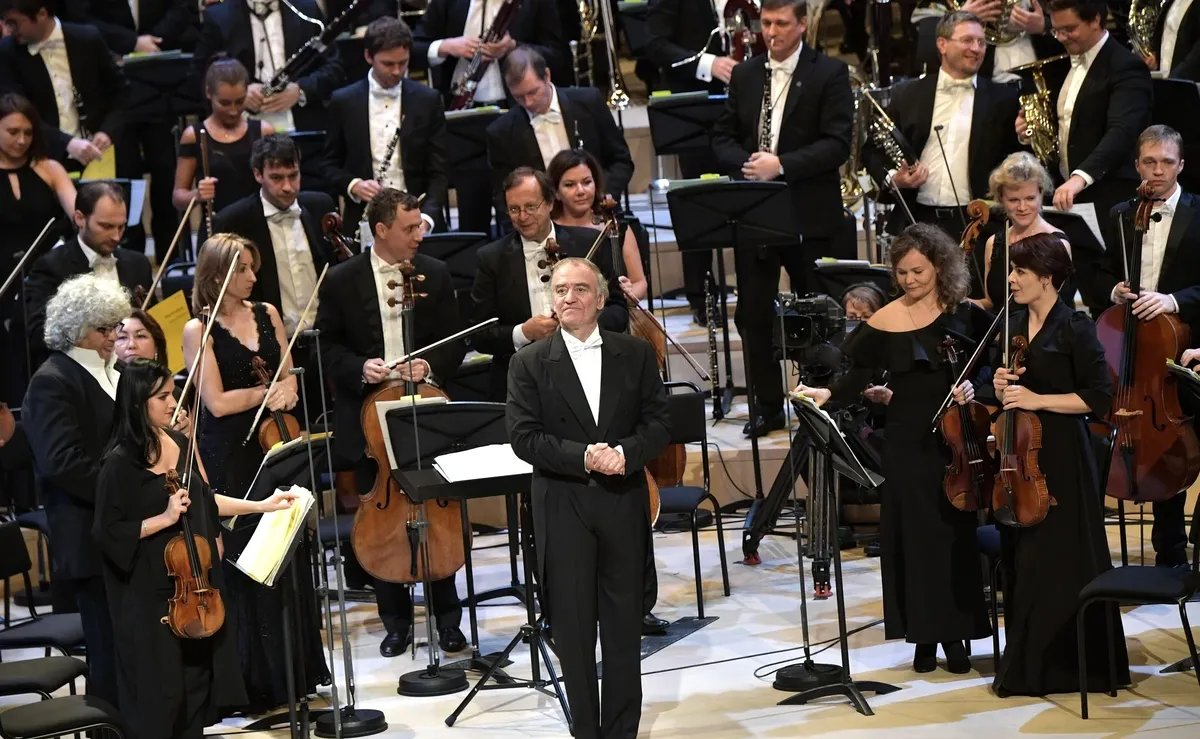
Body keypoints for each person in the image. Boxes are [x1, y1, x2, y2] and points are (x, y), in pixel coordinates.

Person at [794, 223, 992, 674]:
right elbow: (855, 376)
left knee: (952, 538)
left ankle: (956, 635)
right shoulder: (884, 322)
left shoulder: (966, 315)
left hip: (955, 441)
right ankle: (923, 638)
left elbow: (988, 367)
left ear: (940, 267)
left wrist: (973, 391)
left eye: (918, 271)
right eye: (901, 273)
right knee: (913, 541)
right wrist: (828, 395)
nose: (909, 280)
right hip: (906, 442)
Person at [507, 256, 670, 739]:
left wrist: (626, 454)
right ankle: (586, 731)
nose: (569, 297)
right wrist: (586, 456)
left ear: (600, 300)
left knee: (623, 627)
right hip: (563, 504)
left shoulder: (635, 354)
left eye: (580, 289)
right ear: (551, 301)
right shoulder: (528, 362)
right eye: (560, 290)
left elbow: (659, 423)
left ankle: (622, 731)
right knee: (573, 630)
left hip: (621, 499)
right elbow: (523, 437)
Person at [94, 358, 299, 738]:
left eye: (172, 393)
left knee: (195, 691)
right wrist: (164, 518)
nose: (174, 403)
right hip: (147, 598)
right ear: (138, 402)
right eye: (163, 397)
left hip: (190, 591)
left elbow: (205, 500)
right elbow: (107, 533)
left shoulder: (177, 442)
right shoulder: (118, 464)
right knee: (161, 699)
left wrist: (263, 505)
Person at [315, 187, 468, 657]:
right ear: (380, 231)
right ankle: (395, 621)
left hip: (425, 408)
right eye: (409, 228)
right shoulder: (341, 280)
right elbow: (327, 348)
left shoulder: (435, 273)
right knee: (381, 516)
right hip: (368, 418)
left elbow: (454, 342)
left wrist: (429, 366)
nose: (419, 234)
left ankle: (447, 617)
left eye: (419, 224)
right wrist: (361, 367)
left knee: (436, 508)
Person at [181, 233, 329, 711]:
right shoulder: (196, 328)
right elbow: (216, 402)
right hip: (231, 455)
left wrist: (288, 390)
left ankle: (296, 671)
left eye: (252, 268)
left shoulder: (266, 313)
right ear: (216, 274)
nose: (252, 277)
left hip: (276, 440)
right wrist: (269, 393)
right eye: (242, 269)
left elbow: (289, 375)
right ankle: (253, 683)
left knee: (286, 551)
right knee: (246, 560)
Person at [989, 233, 1129, 695]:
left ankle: (1072, 668)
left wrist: (1036, 397)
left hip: (1064, 456)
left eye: (1020, 272)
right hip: (1023, 458)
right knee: (1027, 563)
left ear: (1047, 278)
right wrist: (1001, 385)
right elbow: (1013, 393)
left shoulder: (1075, 326)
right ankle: (1030, 667)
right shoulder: (1013, 325)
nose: (1010, 279)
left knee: (1061, 560)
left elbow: (1098, 397)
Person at [710, 0, 854, 437]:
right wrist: (750, 164)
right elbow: (723, 135)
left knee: (819, 312)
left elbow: (837, 143)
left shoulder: (829, 73)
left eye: (780, 23)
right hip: (757, 212)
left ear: (802, 25)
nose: (770, 31)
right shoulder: (747, 72)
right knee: (752, 313)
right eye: (766, 23)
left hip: (810, 211)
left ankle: (821, 399)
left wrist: (783, 164)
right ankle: (767, 406)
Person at [21, 273, 132, 707]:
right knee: (108, 654)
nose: (113, 337)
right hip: (92, 537)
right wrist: (128, 492)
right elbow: (63, 464)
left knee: (132, 650)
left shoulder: (115, 372)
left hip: (125, 531)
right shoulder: (52, 382)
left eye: (115, 327)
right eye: (103, 329)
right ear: (74, 329)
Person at [1094, 124, 1200, 568]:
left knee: (1189, 442)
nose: (1157, 171)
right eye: (1149, 162)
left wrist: (1173, 299)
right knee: (1158, 445)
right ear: (1137, 164)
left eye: (1166, 163)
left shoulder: (1199, 212)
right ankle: (1169, 555)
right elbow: (1100, 273)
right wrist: (1114, 291)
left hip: (1191, 342)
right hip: (1143, 351)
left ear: (1181, 165)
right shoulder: (1122, 213)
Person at [862, 9, 1020, 258]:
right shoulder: (907, 94)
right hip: (918, 219)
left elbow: (1018, 155)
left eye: (982, 42)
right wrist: (896, 178)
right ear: (942, 44)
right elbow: (872, 150)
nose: (977, 48)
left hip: (979, 223)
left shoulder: (1005, 99)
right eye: (968, 40)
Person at [470, 166, 628, 401]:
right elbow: (480, 334)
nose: (522, 217)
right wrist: (523, 332)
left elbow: (618, 311)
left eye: (531, 207)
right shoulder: (491, 259)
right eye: (514, 209)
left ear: (550, 203)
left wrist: (581, 324)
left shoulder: (588, 244)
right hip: (524, 382)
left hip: (591, 371)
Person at [412, 0, 567, 232]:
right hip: (464, 118)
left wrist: (513, 47)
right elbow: (414, 48)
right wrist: (448, 46)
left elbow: (558, 55)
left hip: (518, 116)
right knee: (472, 215)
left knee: (524, 206)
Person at [644, 0, 740, 324]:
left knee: (750, 195)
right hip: (698, 110)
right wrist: (708, 64)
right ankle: (701, 298)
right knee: (699, 204)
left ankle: (755, 293)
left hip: (748, 104)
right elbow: (656, 45)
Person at [1017, 0, 1150, 223]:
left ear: (1096, 20)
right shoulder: (1063, 60)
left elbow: (1122, 132)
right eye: (1056, 30)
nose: (1060, 37)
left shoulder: (1127, 67)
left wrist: (1079, 178)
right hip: (1065, 195)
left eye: (1069, 29)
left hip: (1109, 198)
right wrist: (1030, 129)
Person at [321, 16, 448, 235]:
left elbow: (440, 172)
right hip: (367, 222)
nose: (397, 71)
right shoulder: (343, 101)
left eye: (403, 63)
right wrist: (354, 185)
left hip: (419, 220)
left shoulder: (428, 100)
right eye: (388, 64)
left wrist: (426, 219)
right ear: (368, 56)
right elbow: (328, 166)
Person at [212, 134, 335, 335]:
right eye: (276, 178)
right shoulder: (233, 221)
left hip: (324, 338)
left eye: (293, 175)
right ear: (258, 175)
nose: (287, 187)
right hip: (267, 341)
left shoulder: (321, 206)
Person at [485, 46, 634, 211]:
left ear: (547, 76)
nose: (528, 103)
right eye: (518, 97)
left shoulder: (589, 102)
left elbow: (621, 160)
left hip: (598, 211)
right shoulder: (501, 132)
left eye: (533, 92)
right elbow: (502, 194)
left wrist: (599, 197)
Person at [0, 92, 74, 405]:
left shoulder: (49, 169)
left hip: (45, 276)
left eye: (28, 133)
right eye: (12, 132)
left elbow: (78, 214)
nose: (21, 140)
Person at [24, 181, 151, 353]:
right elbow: (38, 332)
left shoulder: (138, 264)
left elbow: (152, 322)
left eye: (121, 227)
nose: (116, 236)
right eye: (106, 226)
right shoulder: (51, 266)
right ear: (80, 218)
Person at [0, 0, 126, 169]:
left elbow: (121, 93)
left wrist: (107, 131)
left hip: (98, 154)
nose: (9, 30)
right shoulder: (7, 52)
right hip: (42, 157)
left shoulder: (88, 39)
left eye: (14, 22)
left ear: (42, 14)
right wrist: (67, 143)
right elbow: (17, 110)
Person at [190, 0, 343, 136]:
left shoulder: (307, 10)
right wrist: (238, 95)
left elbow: (334, 68)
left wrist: (300, 91)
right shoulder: (219, 16)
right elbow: (199, 75)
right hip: (240, 132)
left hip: (303, 130)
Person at [175, 58, 274, 243]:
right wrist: (196, 195)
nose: (233, 110)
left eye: (240, 101)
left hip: (258, 230)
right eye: (225, 103)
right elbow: (178, 196)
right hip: (216, 234)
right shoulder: (193, 135)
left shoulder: (263, 131)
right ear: (208, 94)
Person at [547, 148, 646, 300]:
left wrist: (626, 295)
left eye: (587, 182)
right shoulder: (549, 230)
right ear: (556, 192)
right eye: (569, 185)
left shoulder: (614, 225)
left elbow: (639, 282)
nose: (581, 191)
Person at [980, 151, 1072, 311]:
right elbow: (991, 303)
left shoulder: (1057, 243)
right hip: (1001, 334)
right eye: (1014, 200)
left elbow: (1058, 309)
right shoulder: (993, 243)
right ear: (1001, 199)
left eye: (1030, 198)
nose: (1022, 207)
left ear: (1041, 194)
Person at [1150, 0, 1200, 81]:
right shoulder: (1170, 3)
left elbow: (1196, 57)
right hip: (1161, 85)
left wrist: (1174, 80)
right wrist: (1155, 59)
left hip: (1186, 87)